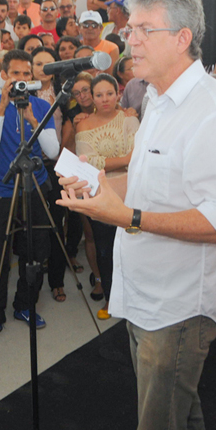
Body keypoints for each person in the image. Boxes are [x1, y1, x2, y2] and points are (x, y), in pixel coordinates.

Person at [57, 0, 216, 430]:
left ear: (183, 37)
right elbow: (147, 185)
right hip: (147, 292)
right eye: (131, 29)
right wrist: (100, 189)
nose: (131, 39)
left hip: (179, 305)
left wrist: (127, 216)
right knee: (178, 426)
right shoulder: (156, 100)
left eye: (145, 29)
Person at [0, 50, 60, 344]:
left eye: (27, 74)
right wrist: (3, 107)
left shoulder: (41, 106)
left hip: (34, 187)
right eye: (16, 74)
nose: (22, 79)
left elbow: (52, 151)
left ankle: (26, 305)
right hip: (3, 191)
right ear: (4, 75)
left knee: (36, 251)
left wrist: (32, 119)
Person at [74, 74, 139, 319]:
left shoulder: (129, 119)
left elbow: (137, 156)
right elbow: (87, 162)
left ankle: (134, 298)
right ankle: (111, 299)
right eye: (99, 95)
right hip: (99, 195)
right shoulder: (83, 125)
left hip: (131, 193)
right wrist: (124, 160)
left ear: (118, 94)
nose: (105, 99)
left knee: (132, 247)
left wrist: (105, 162)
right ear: (91, 97)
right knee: (105, 248)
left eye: (109, 93)